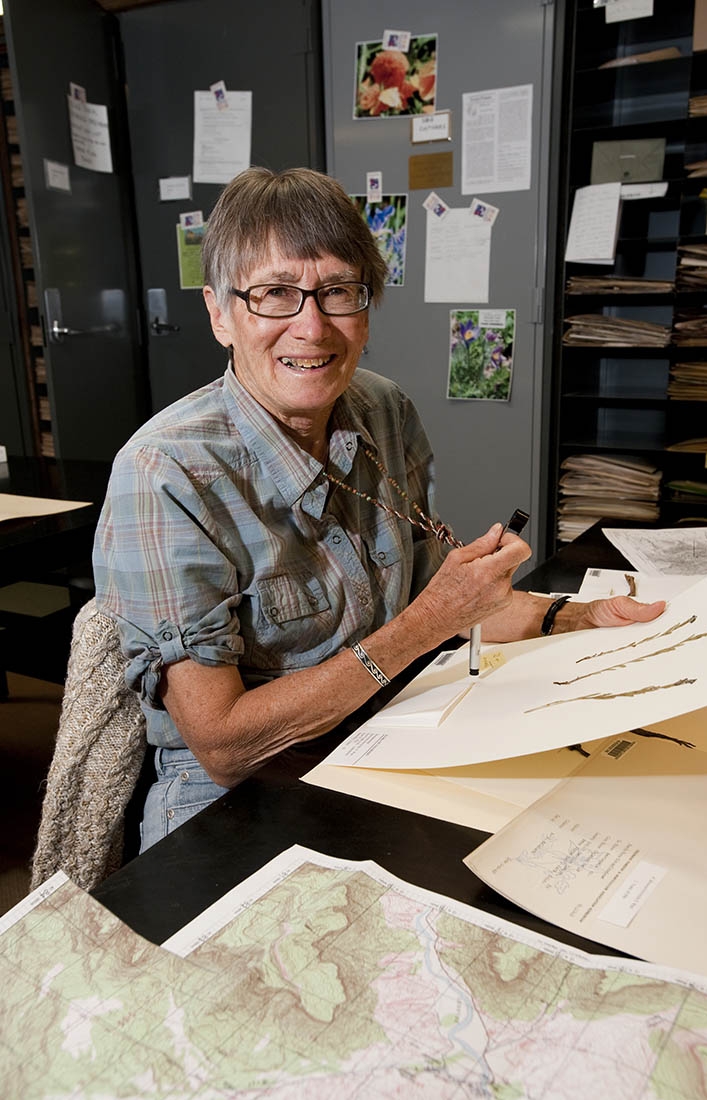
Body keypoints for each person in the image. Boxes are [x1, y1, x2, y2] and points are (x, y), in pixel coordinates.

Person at [93, 166, 664, 852]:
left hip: (383, 737)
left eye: (337, 291)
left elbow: (439, 598)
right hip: (236, 800)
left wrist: (577, 616)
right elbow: (221, 744)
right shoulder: (165, 472)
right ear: (221, 313)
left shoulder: (383, 408)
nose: (311, 326)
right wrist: (429, 623)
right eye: (275, 293)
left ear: (366, 309)